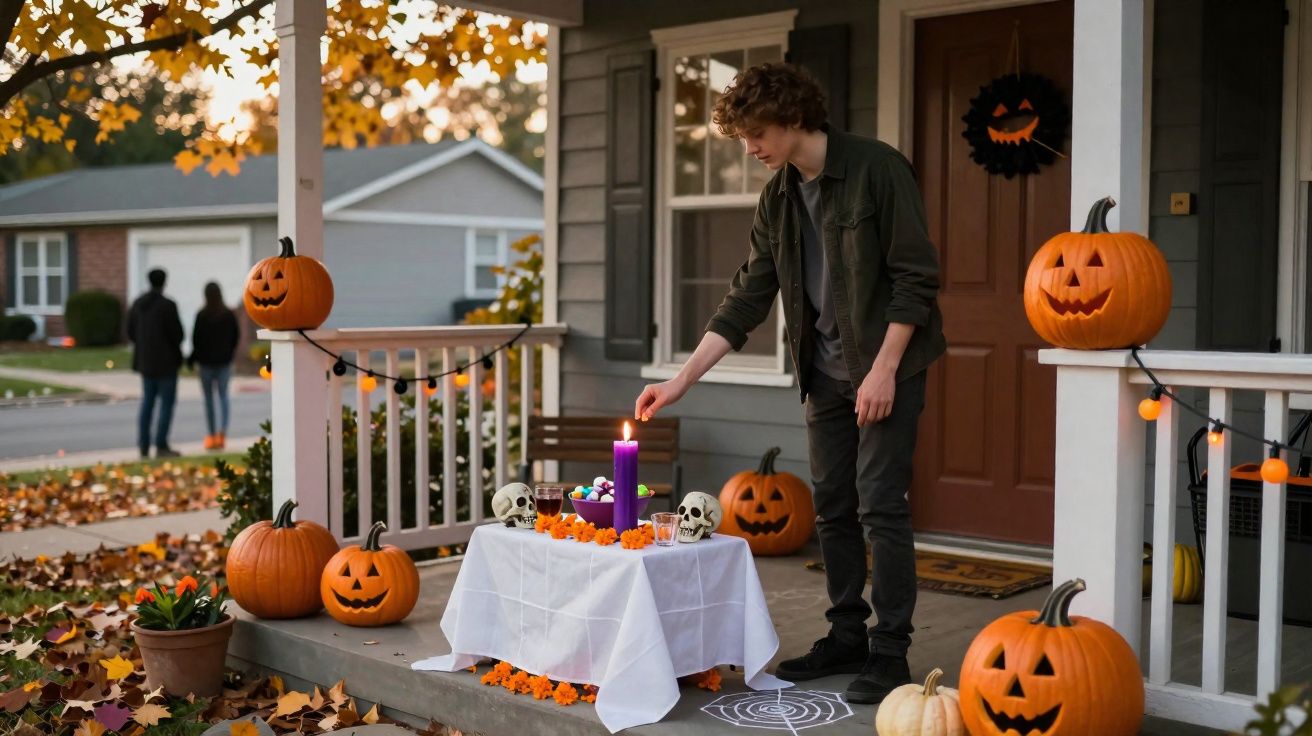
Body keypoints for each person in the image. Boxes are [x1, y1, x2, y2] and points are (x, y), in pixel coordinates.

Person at [633, 63, 945, 704]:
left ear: (794, 117)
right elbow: (748, 296)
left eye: (756, 133)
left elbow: (916, 279)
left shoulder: (877, 169)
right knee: (830, 507)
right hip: (824, 374)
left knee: (879, 505)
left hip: (888, 365)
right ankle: (846, 637)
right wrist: (681, 379)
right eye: (744, 136)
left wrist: (883, 370)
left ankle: (890, 654)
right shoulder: (777, 198)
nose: (750, 149)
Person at [128, 268, 185, 458]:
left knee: (147, 403)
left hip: (146, 362)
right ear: (164, 282)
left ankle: (144, 445)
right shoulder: (168, 306)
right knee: (166, 405)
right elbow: (178, 334)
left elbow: (130, 331)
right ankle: (161, 444)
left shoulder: (138, 305)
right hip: (167, 363)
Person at [189, 282, 240, 451]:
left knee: (209, 400)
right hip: (224, 362)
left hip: (206, 364)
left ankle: (211, 435)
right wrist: (230, 353)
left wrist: (193, 358)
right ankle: (222, 433)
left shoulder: (202, 315)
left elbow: (196, 339)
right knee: (224, 397)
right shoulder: (228, 315)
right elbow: (235, 336)